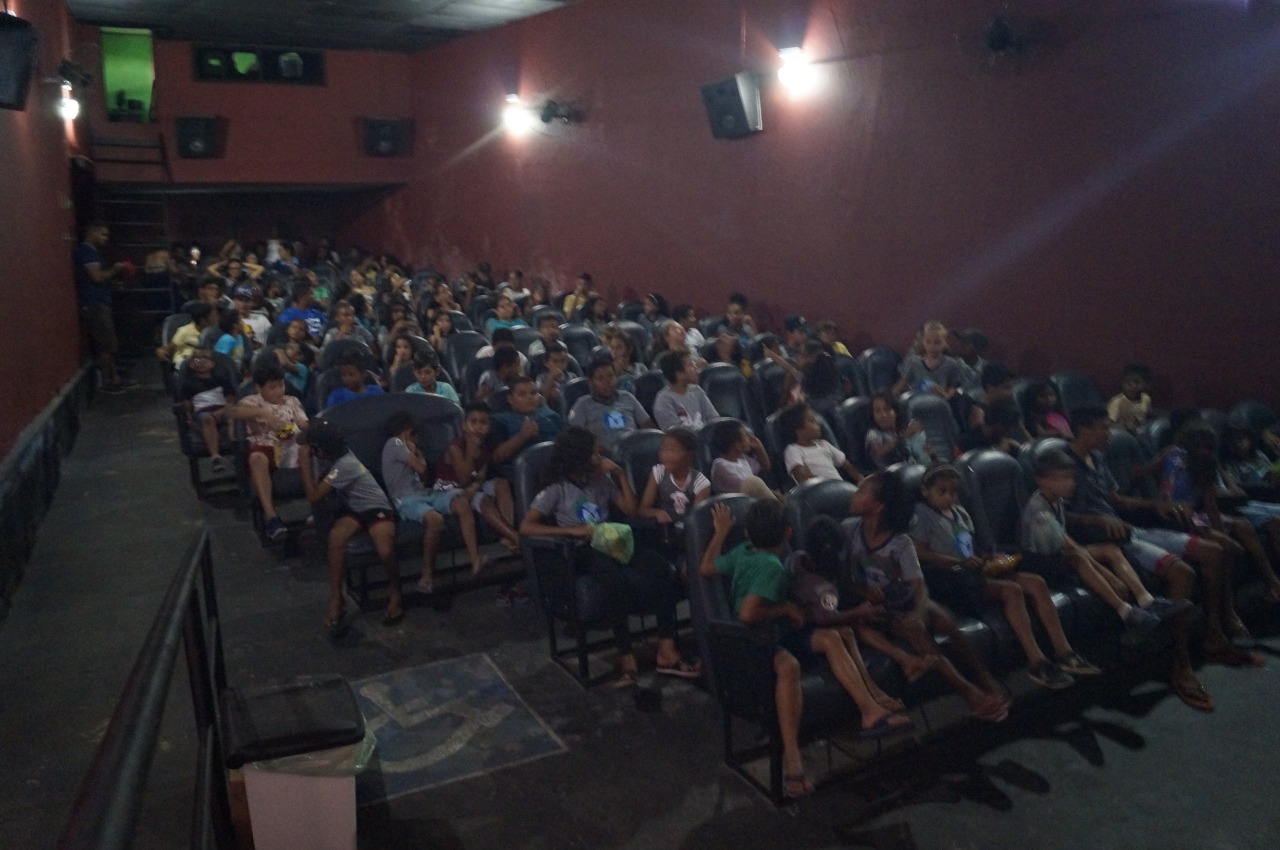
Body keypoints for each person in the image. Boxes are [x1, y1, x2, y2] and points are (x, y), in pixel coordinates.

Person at [699, 500, 913, 798]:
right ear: (788, 533)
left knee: (836, 635)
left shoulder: (743, 550)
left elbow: (706, 567)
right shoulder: (772, 567)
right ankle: (792, 757)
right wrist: (786, 608)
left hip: (775, 633)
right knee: (790, 666)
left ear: (747, 533)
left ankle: (871, 707)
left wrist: (721, 532)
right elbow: (748, 614)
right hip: (755, 640)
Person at [1063, 405, 1262, 711]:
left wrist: (1155, 504)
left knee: (1215, 552)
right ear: (1083, 429)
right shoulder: (1063, 463)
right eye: (1103, 427)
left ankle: (1214, 636)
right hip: (1101, 541)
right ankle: (1180, 665)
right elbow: (1058, 516)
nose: (1109, 433)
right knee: (1183, 573)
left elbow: (1115, 500)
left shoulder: (1098, 458)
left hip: (1128, 530)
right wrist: (1098, 521)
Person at [521, 427, 690, 685]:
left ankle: (666, 649)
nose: (598, 456)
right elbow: (527, 527)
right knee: (613, 580)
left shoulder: (600, 478)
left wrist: (620, 475)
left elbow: (629, 509)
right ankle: (626, 655)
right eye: (593, 453)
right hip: (582, 548)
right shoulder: (557, 487)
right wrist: (572, 531)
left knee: (659, 567)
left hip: (613, 540)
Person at [840, 473, 1011, 721]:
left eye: (861, 492)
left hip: (902, 598)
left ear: (878, 506)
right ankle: (967, 691)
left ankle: (982, 675)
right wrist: (863, 591)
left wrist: (919, 613)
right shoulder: (849, 530)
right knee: (914, 630)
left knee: (941, 618)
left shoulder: (900, 542)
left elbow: (917, 585)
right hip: (876, 607)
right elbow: (841, 577)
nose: (854, 496)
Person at [909, 465, 1098, 689]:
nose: (949, 497)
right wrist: (957, 562)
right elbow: (919, 552)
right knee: (1012, 590)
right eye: (942, 491)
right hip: (953, 579)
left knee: (1036, 583)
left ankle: (1064, 651)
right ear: (925, 491)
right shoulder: (922, 514)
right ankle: (1037, 661)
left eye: (953, 492)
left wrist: (989, 557)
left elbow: (970, 548)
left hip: (974, 571)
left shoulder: (959, 513)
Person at [1020, 448, 1178, 641]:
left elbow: (1064, 537)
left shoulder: (1055, 499)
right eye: (1062, 479)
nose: (1070, 483)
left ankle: (1147, 601)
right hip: (1043, 563)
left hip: (1059, 553)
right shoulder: (1040, 514)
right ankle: (1126, 612)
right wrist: (1108, 575)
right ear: (1041, 481)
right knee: (1079, 558)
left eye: (1071, 478)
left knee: (1110, 549)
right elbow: (1063, 549)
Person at [1159, 420, 1280, 604]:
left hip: (1196, 514)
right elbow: (1142, 473)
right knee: (1228, 547)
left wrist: (1220, 533)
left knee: (1241, 528)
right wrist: (1151, 498)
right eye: (1203, 447)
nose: (1207, 452)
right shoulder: (1172, 454)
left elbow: (1211, 507)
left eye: (1211, 448)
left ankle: (1271, 582)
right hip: (1171, 515)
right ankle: (1227, 606)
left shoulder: (1206, 466)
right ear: (1191, 444)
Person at [299, 421, 403, 631]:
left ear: (321, 450)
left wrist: (304, 463)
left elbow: (314, 496)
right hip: (355, 509)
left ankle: (396, 591)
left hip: (376, 507)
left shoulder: (344, 466)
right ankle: (337, 598)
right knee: (336, 538)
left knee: (385, 549)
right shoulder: (337, 460)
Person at [381, 411, 487, 594]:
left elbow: (424, 476)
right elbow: (421, 468)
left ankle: (475, 559)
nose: (418, 440)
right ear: (407, 432)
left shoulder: (414, 450)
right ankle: (427, 575)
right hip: (405, 499)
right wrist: (415, 452)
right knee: (435, 520)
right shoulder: (394, 443)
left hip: (427, 494)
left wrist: (416, 452)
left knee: (462, 503)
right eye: (416, 435)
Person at [229, 359, 309, 543]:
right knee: (256, 457)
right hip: (267, 447)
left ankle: (318, 510)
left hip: (293, 445)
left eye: (281, 385)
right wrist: (264, 413)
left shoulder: (292, 401)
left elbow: (304, 423)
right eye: (272, 388)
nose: (279, 391)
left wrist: (302, 427)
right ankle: (272, 517)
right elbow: (234, 412)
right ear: (259, 388)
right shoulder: (252, 401)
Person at [432, 401, 522, 554]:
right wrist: (471, 451)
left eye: (483, 423)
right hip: (449, 488)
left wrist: (474, 487)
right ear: (464, 425)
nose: (478, 427)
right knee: (484, 500)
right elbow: (464, 479)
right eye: (473, 422)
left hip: (471, 485)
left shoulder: (485, 447)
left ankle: (507, 535)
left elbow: (480, 476)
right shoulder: (455, 447)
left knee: (501, 484)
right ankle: (515, 537)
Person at [76, 222, 136, 392]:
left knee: (109, 343)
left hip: (99, 302)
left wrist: (111, 282)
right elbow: (96, 277)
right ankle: (107, 381)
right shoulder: (87, 251)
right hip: (95, 303)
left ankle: (113, 377)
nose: (105, 239)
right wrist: (115, 270)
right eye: (103, 234)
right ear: (92, 232)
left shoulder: (92, 251)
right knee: (105, 344)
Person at [637, 428, 711, 558]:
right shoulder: (658, 472)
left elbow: (697, 521)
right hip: (665, 533)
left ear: (690, 455)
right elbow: (643, 509)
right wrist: (657, 513)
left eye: (672, 450)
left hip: (690, 536)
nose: (665, 455)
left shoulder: (701, 483)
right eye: (663, 449)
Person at [568, 360, 654, 457]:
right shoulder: (582, 405)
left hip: (634, 451)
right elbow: (575, 437)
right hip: (603, 456)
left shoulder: (627, 397)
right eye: (600, 378)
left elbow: (647, 424)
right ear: (590, 382)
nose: (607, 382)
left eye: (610, 376)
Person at [178, 349, 236, 475]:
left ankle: (238, 451)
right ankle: (215, 458)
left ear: (212, 364)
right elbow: (186, 404)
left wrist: (221, 412)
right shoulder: (189, 383)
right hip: (203, 411)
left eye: (205, 359)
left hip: (223, 409)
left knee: (235, 417)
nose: (201, 362)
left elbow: (231, 401)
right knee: (207, 419)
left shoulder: (222, 379)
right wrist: (188, 417)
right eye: (197, 359)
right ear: (191, 364)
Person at [779, 402, 863, 485]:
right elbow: (801, 477)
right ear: (799, 431)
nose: (818, 423)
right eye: (812, 421)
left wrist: (860, 478)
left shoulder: (824, 445)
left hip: (839, 487)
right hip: (818, 490)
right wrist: (824, 484)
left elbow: (846, 465)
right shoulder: (793, 450)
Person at [491, 376, 566, 464]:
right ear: (510, 399)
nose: (530, 397)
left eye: (533, 393)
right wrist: (522, 436)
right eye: (522, 394)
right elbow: (497, 457)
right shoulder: (500, 421)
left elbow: (568, 438)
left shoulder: (550, 415)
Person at [891, 320, 969, 400]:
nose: (932, 346)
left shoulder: (950, 364)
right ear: (923, 342)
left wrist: (946, 396)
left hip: (939, 401)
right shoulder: (914, 363)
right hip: (918, 401)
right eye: (928, 342)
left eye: (937, 342)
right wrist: (889, 398)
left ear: (945, 343)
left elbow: (955, 386)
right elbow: (902, 384)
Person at [709, 420, 778, 501]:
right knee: (753, 482)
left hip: (754, 501)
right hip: (738, 505)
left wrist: (759, 448)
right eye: (746, 435)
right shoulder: (720, 466)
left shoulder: (742, 459)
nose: (751, 439)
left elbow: (765, 466)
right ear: (737, 444)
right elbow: (748, 488)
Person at [652, 350, 719, 431]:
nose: (696, 368)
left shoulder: (697, 390)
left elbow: (714, 419)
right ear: (679, 374)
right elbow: (675, 433)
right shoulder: (664, 400)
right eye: (691, 365)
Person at [865, 392, 930, 470]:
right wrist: (902, 438)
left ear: (895, 411)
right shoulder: (873, 433)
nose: (883, 415)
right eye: (877, 411)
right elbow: (879, 452)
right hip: (892, 474)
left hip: (917, 468)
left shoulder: (903, 429)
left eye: (887, 409)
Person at [156, 302, 216, 369]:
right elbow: (168, 349)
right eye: (212, 316)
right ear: (203, 320)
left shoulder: (213, 331)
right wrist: (161, 352)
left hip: (204, 361)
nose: (215, 318)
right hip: (185, 361)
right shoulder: (184, 331)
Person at [277, 279, 327, 343]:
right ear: (301, 297)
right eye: (311, 294)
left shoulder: (316, 313)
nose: (313, 297)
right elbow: (286, 336)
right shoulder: (287, 316)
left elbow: (325, 331)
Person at [1108, 362, 1153, 432]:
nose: (1133, 386)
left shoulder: (1146, 399)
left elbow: (1148, 416)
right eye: (1128, 382)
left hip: (1141, 432)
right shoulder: (1117, 402)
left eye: (1137, 382)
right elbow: (1109, 424)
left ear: (1146, 383)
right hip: (1122, 433)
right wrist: (1125, 425)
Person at [600, 326, 647, 394]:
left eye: (618, 348)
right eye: (612, 348)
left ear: (629, 349)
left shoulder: (641, 368)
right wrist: (615, 373)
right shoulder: (608, 372)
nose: (614, 352)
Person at [534, 342, 572, 408]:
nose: (559, 365)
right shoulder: (541, 378)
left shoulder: (572, 376)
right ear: (546, 363)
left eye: (563, 361)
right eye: (555, 361)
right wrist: (551, 377)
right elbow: (541, 399)